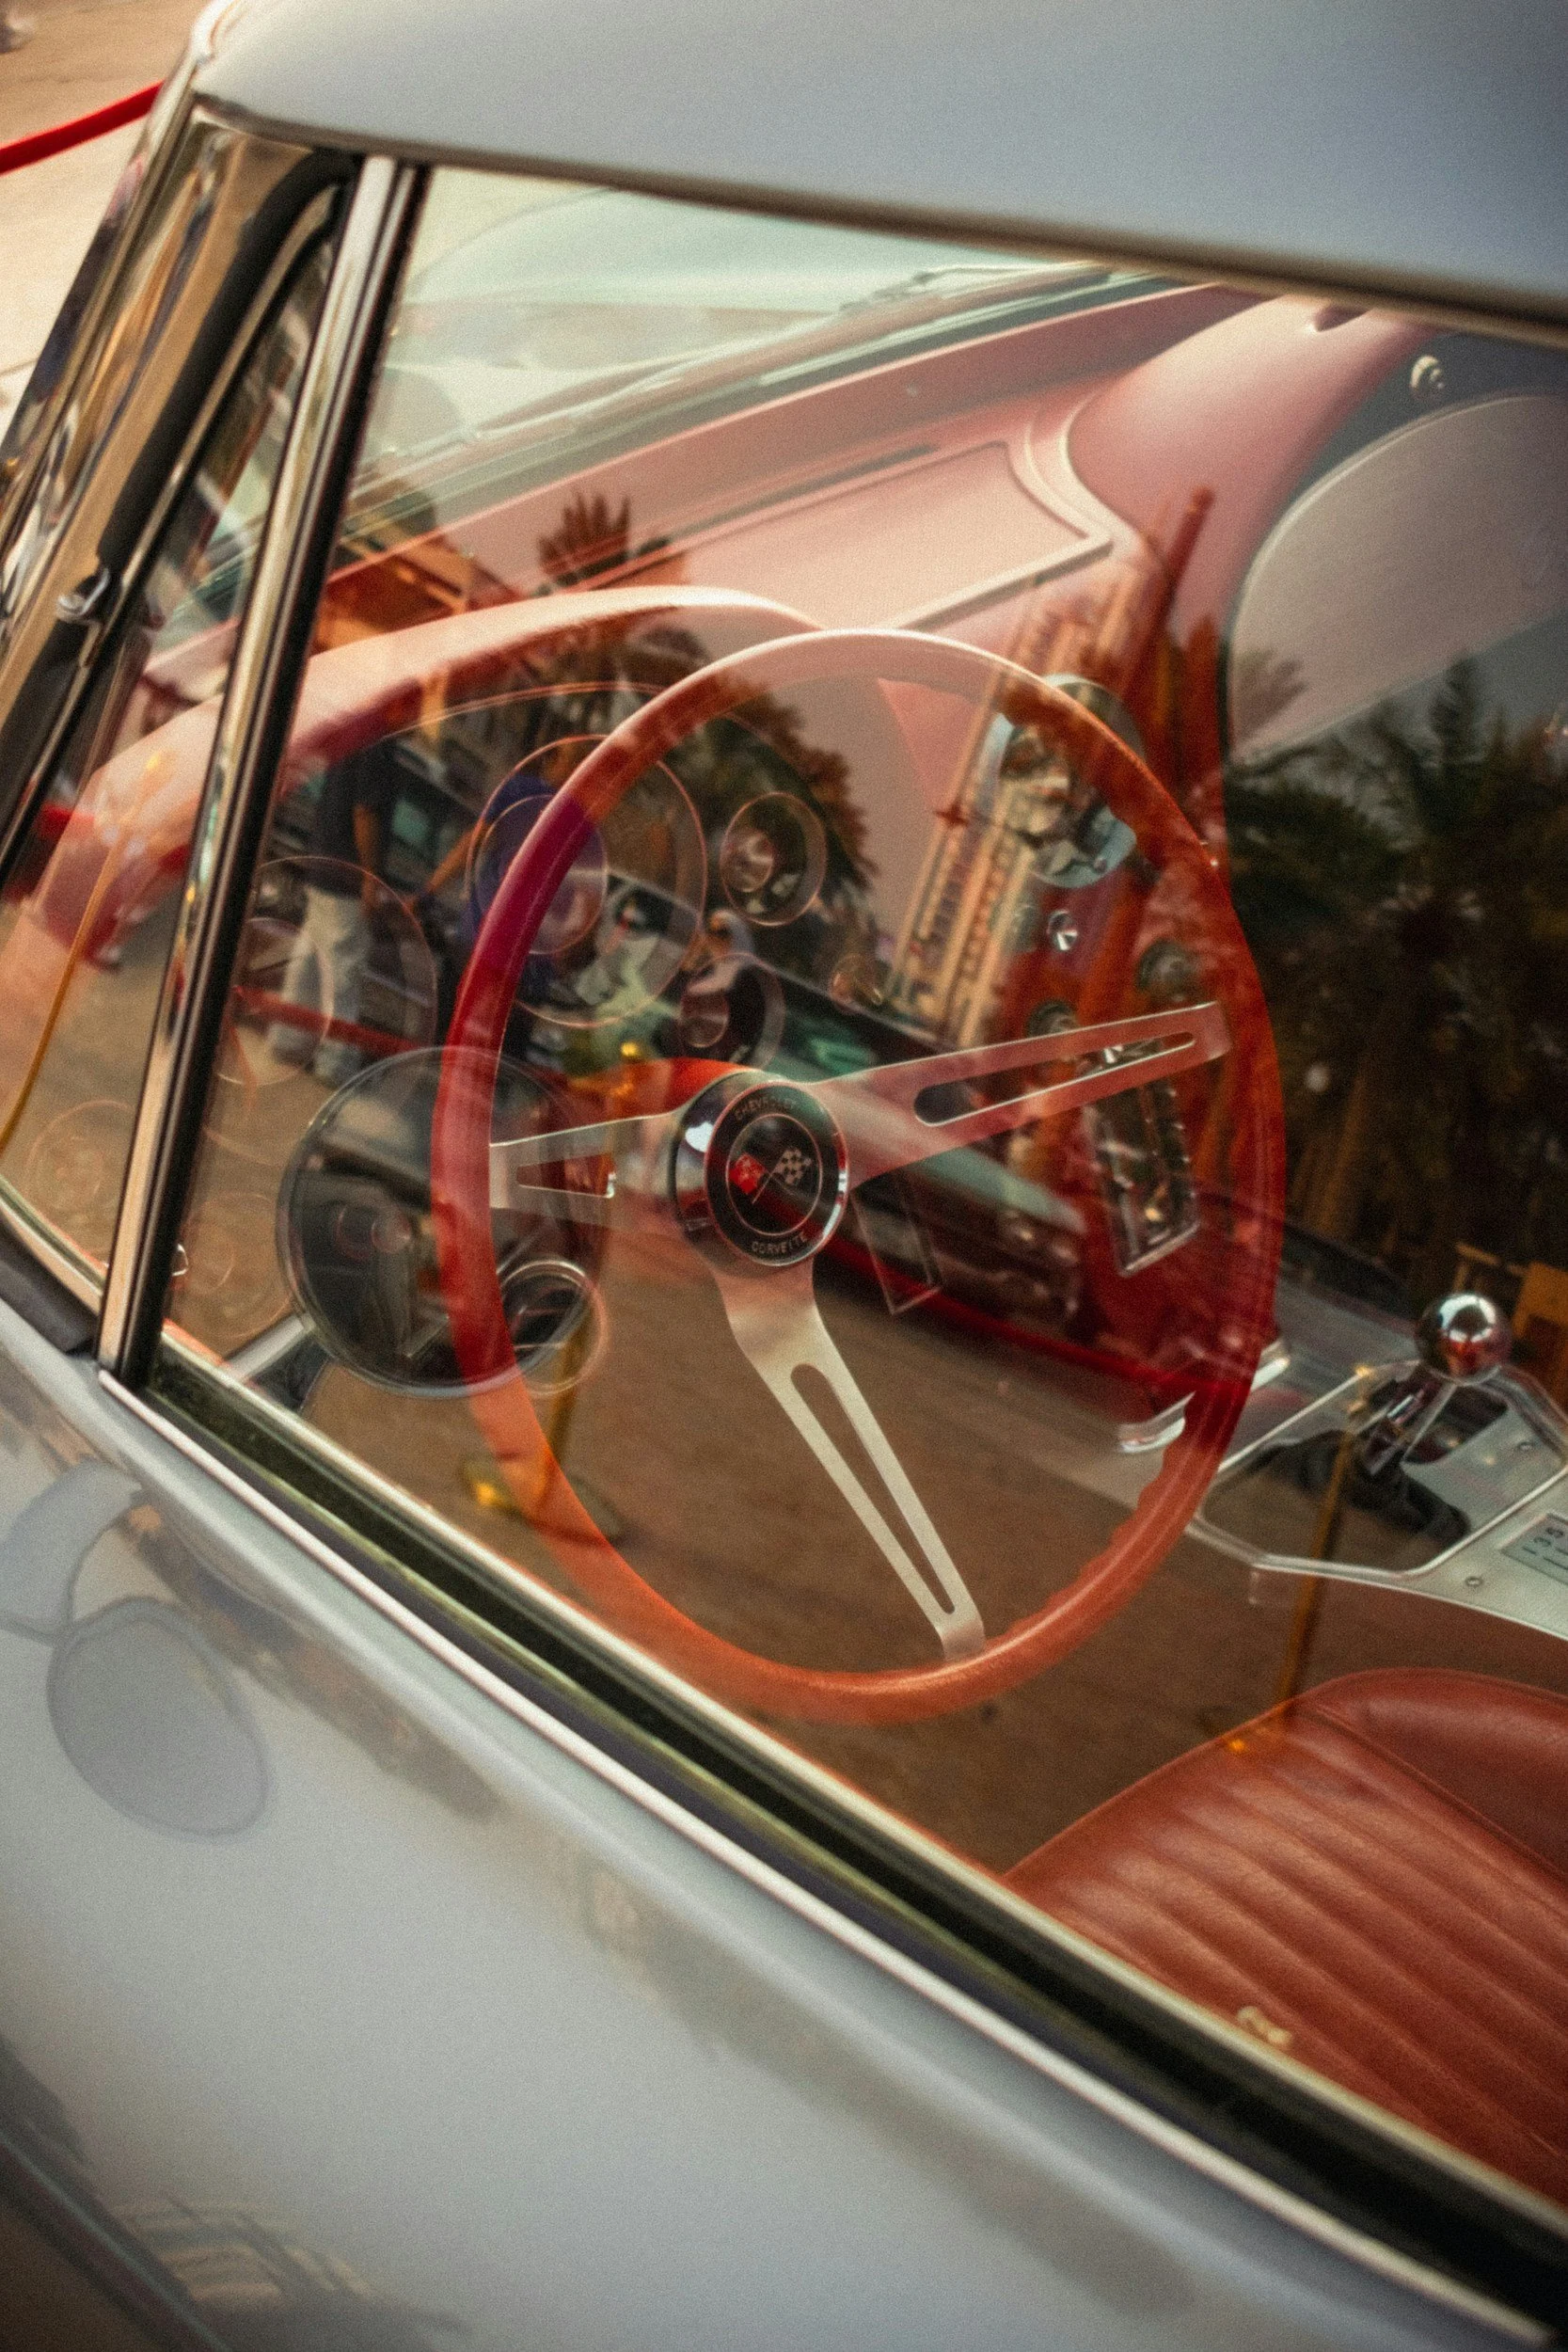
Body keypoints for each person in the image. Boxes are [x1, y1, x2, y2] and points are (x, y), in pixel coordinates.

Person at [271, 745, 396, 1084]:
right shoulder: (379, 750)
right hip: (348, 878)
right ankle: (335, 1062)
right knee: (343, 971)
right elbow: (364, 813)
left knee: (308, 956)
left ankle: (288, 1038)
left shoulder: (351, 741)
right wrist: (370, 877)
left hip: (323, 866)